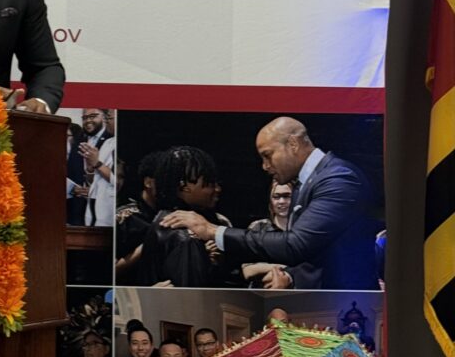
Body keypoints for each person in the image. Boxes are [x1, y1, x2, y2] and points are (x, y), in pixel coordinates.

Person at [161, 117, 379, 290]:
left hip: (344, 310)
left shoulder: (338, 179)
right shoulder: (307, 182)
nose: (265, 167)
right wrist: (290, 276)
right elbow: (319, 252)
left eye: (268, 156)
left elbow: (296, 245)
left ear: (293, 144)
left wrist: (213, 231)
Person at [135, 146, 231, 288]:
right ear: (184, 186)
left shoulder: (161, 219)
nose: (217, 189)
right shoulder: (185, 237)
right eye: (209, 184)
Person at [115, 150, 161, 284]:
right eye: (166, 180)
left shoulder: (177, 215)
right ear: (148, 182)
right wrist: (149, 245)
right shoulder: (124, 217)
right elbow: (110, 272)